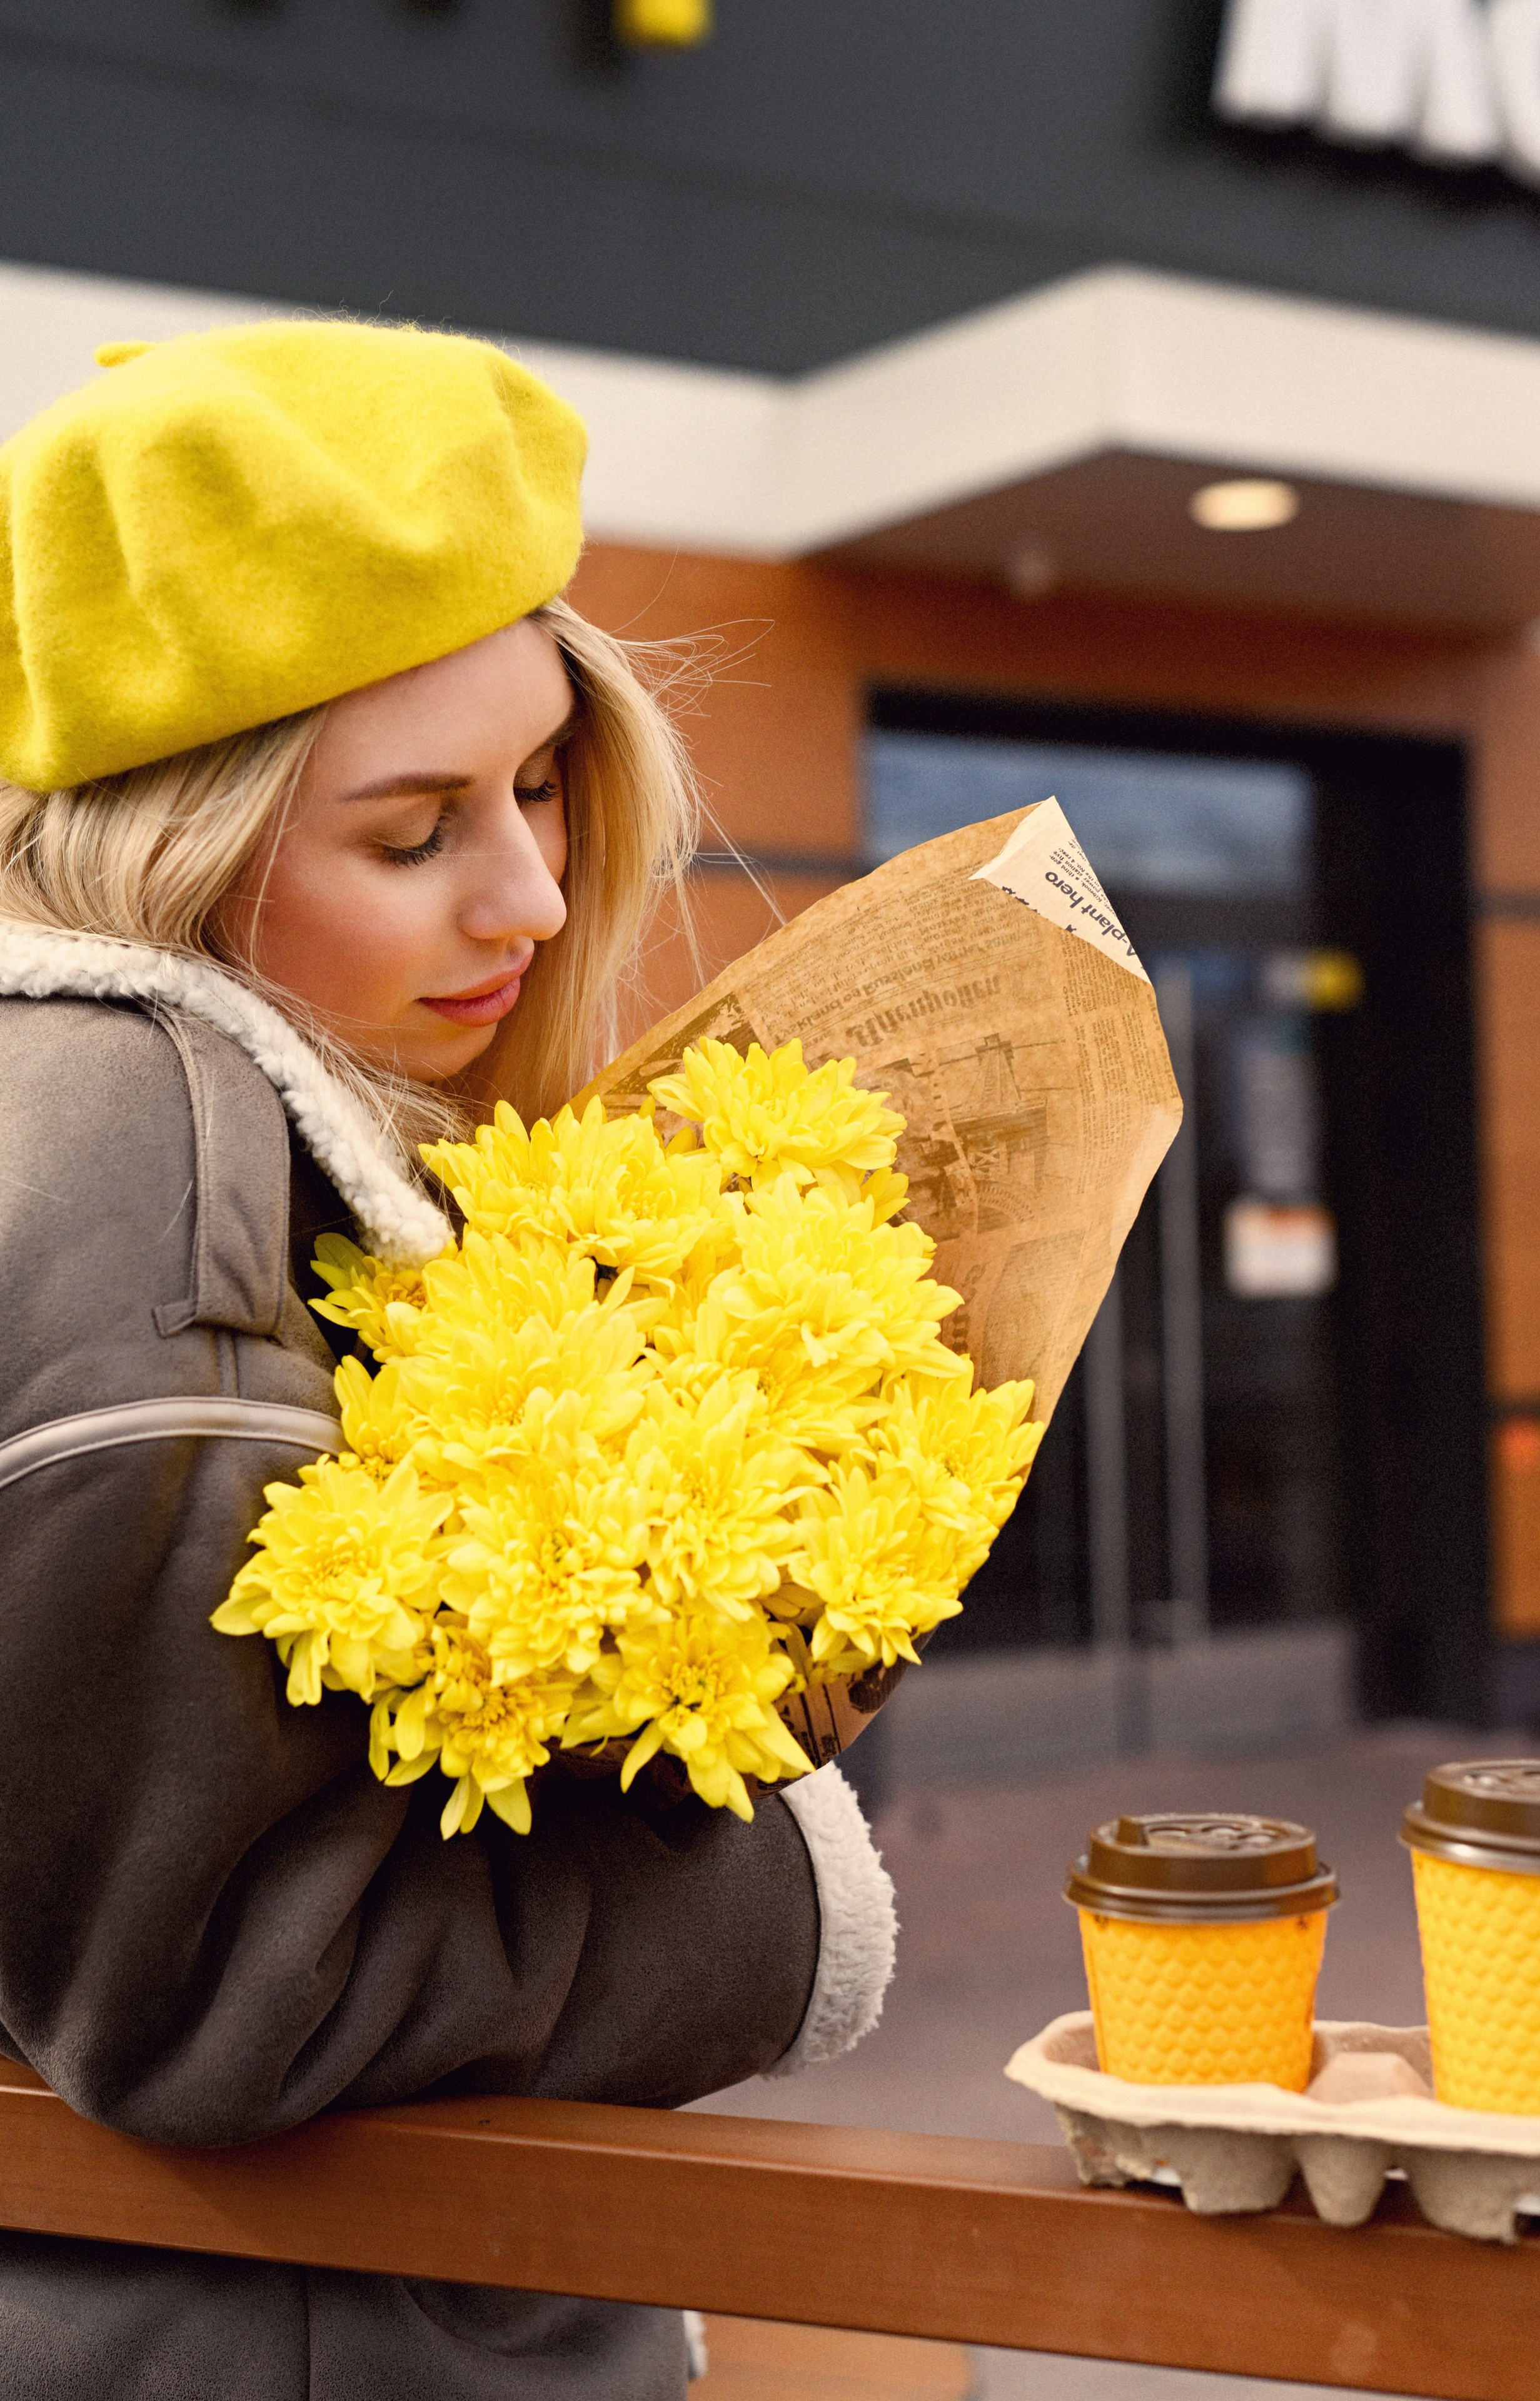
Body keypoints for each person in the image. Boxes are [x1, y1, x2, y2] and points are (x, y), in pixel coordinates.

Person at [0, 321, 895, 2401]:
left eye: (544, 784)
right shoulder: (157, 1154)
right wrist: (763, 1877)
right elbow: (219, 1988)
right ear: (175, 852)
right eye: (410, 834)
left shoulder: (177, 1124)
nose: (530, 891)